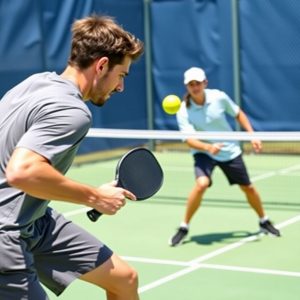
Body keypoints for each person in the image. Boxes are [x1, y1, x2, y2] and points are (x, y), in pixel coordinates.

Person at [0, 15, 144, 299]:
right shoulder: (73, 112)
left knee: (125, 279)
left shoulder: (36, 82)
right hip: (6, 232)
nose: (120, 87)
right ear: (102, 65)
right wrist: (95, 197)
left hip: (35, 219)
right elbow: (23, 172)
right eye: (121, 75)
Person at [169, 67, 280, 247]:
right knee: (201, 184)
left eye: (198, 83)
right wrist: (208, 147)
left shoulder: (218, 97)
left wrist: (252, 135)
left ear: (205, 83)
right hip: (204, 151)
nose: (195, 87)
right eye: (191, 84)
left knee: (248, 188)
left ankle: (264, 221)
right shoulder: (183, 110)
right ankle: (184, 227)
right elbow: (189, 139)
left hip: (229, 150)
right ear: (186, 87)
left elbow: (238, 114)